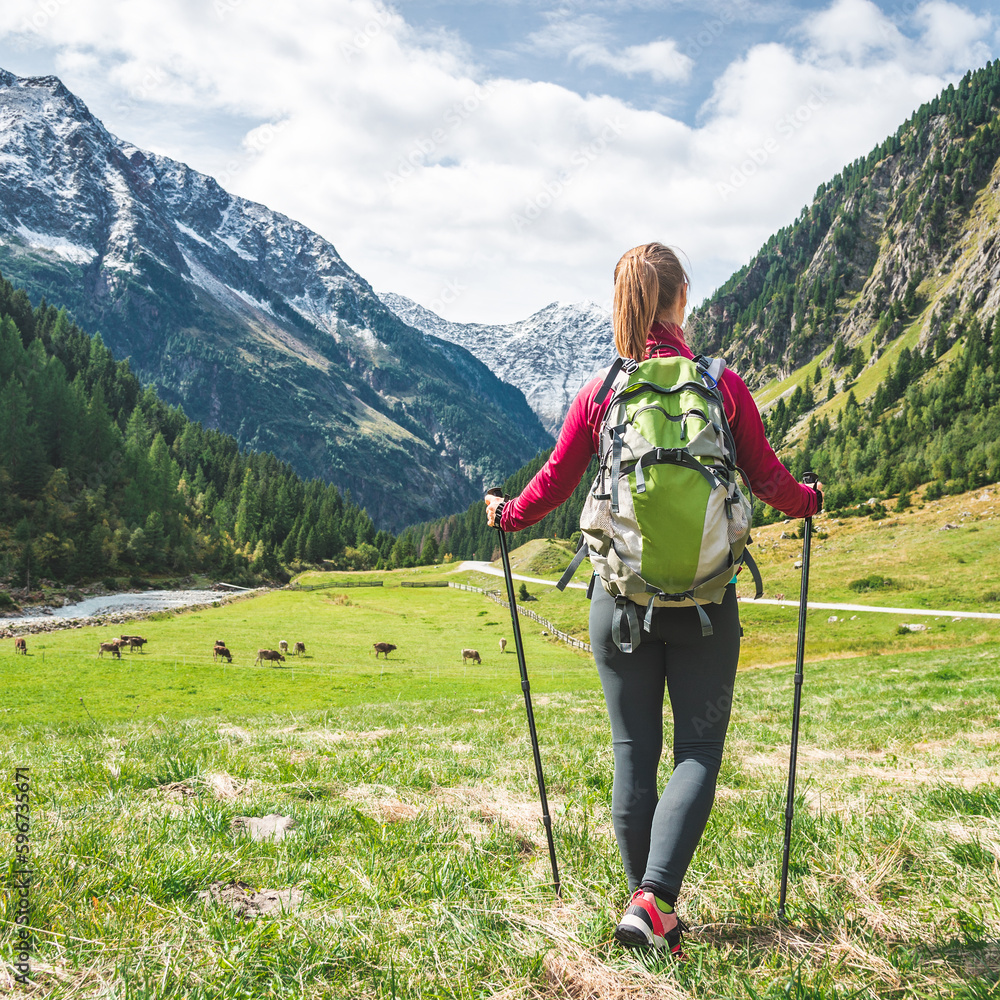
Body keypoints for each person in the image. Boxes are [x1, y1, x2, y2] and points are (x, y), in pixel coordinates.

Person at [485, 242, 822, 959]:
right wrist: (810, 500)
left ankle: (647, 910)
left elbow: (551, 483)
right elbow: (768, 480)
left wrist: (506, 513)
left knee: (633, 753)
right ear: (681, 298)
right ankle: (655, 904)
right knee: (697, 750)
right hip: (707, 605)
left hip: (621, 605)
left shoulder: (603, 390)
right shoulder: (721, 384)